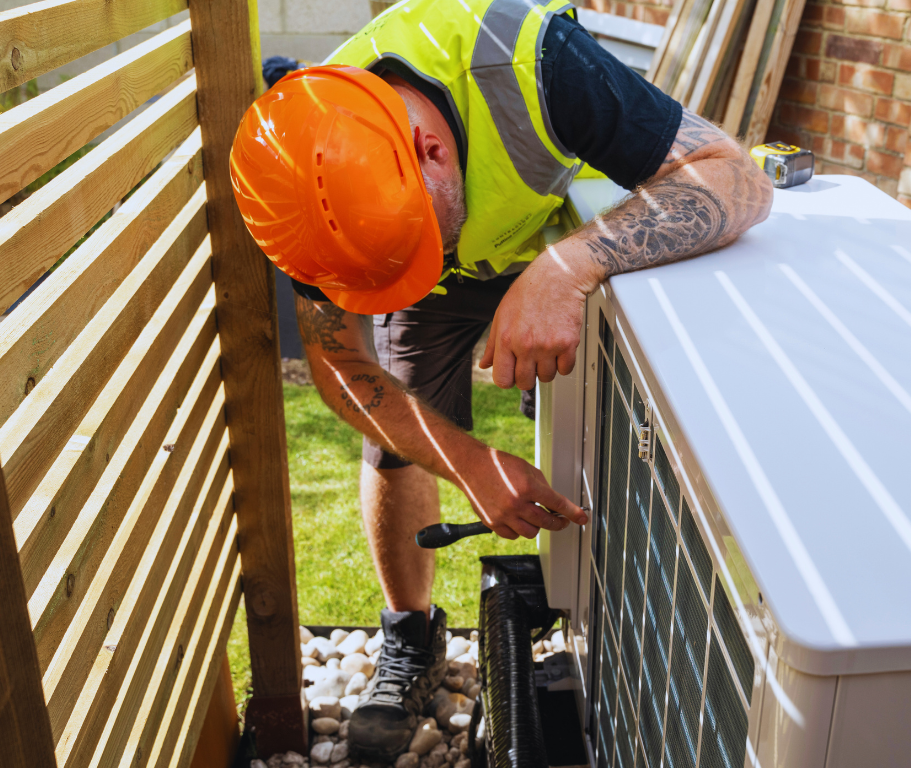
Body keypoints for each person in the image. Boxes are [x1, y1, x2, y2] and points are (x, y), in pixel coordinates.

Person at [231, 0, 772, 758]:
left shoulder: (537, 64)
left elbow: (736, 179)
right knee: (396, 443)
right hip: (441, 285)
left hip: (565, 225)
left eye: (415, 243)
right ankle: (410, 639)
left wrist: (567, 268)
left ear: (429, 150)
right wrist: (467, 460)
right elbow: (344, 366)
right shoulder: (303, 177)